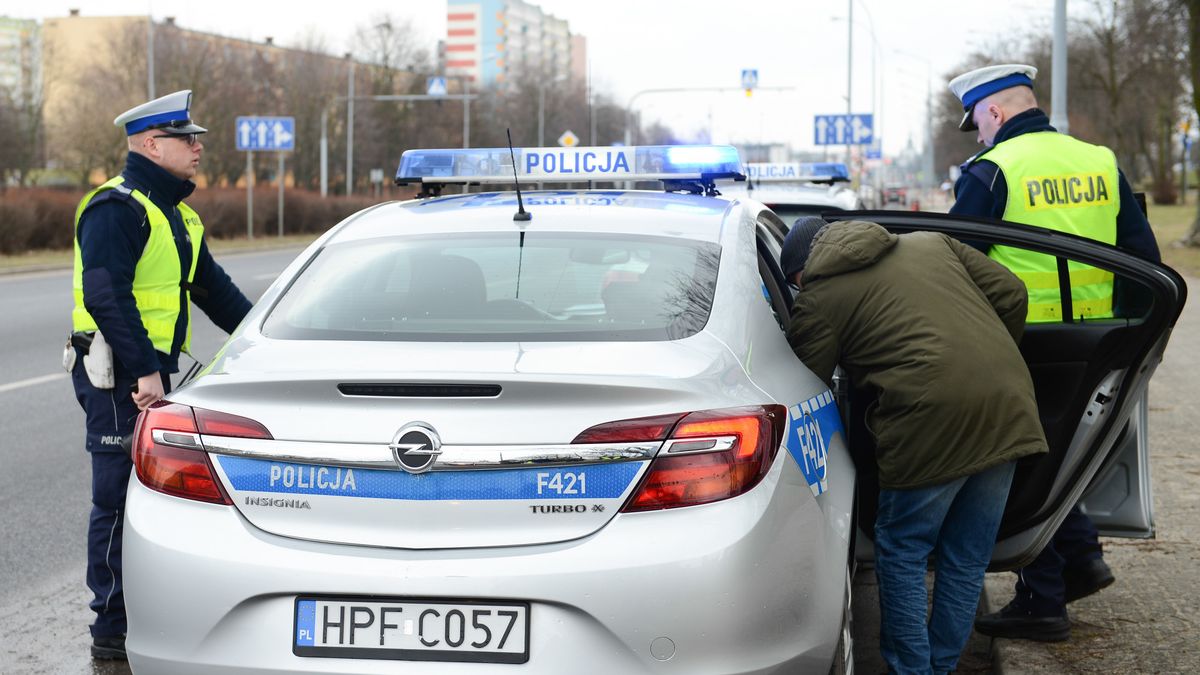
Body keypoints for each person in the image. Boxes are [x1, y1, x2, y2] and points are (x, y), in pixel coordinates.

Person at [948, 64, 1159, 641]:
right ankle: (1082, 558)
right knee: (1059, 456)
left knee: (1015, 469)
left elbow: (953, 260)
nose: (981, 135)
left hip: (1019, 344)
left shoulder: (992, 170)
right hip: (1097, 341)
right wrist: (1137, 341)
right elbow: (1144, 256)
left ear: (993, 112)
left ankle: (1043, 601)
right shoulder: (1098, 160)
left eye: (979, 123)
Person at [782, 216, 1049, 674]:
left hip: (929, 421)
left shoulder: (820, 298)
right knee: (966, 558)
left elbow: (805, 381)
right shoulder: (932, 242)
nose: (800, 291)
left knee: (903, 550)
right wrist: (985, 359)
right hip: (1007, 406)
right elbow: (1012, 294)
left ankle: (912, 670)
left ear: (806, 268)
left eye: (797, 282)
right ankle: (939, 667)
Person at [69, 90, 252, 660]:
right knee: (117, 499)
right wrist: (147, 369)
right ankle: (111, 630)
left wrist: (264, 340)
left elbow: (214, 292)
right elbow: (104, 293)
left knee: (155, 496)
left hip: (147, 375)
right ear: (152, 144)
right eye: (186, 138)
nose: (198, 146)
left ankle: (145, 613)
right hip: (118, 373)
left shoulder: (177, 214)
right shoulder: (114, 208)